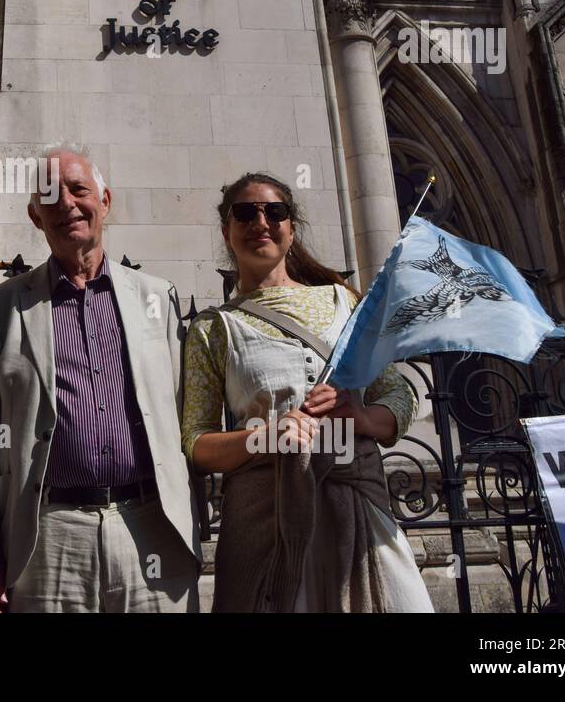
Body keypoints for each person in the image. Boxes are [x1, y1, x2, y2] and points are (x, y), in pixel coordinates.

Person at [0, 144, 202, 613]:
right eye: (51, 196)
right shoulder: (1, 308)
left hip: (150, 529)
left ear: (105, 200)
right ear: (35, 217)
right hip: (48, 540)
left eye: (79, 189)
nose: (67, 204)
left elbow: (187, 422)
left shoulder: (157, 299)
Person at [183, 172, 434, 612]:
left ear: (291, 228)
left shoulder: (344, 303)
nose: (260, 221)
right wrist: (267, 436)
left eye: (273, 212)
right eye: (245, 213)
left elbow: (398, 395)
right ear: (227, 231)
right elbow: (197, 444)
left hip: (357, 509)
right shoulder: (212, 328)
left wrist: (360, 417)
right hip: (264, 518)